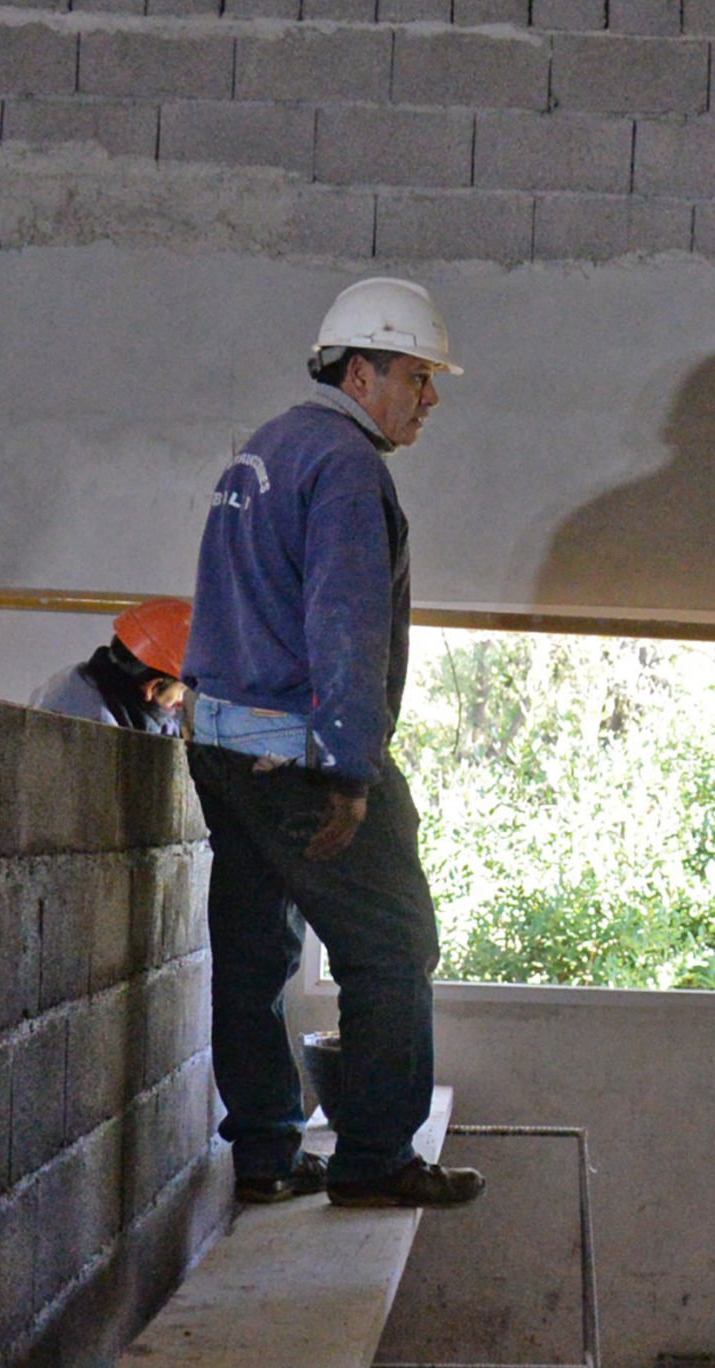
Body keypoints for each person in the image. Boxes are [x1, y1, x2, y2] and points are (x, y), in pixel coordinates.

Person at [182, 277, 484, 1212]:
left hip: (222, 744)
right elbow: (345, 624)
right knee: (393, 945)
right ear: (361, 371)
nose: (429, 398)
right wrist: (352, 771)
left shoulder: (266, 448)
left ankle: (267, 1151)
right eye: (416, 376)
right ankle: (375, 1158)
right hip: (300, 752)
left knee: (254, 944)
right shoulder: (350, 468)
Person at [34, 599, 192, 735]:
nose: (180, 702)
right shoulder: (96, 729)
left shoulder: (85, 678)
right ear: (153, 687)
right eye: (181, 691)